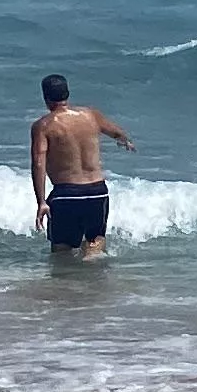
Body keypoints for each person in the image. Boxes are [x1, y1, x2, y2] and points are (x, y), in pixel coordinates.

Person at [31, 71, 128, 260]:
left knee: (62, 252)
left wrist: (41, 202)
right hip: (97, 192)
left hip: (66, 195)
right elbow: (117, 132)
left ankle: (66, 287)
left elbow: (38, 163)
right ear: (67, 94)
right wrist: (126, 140)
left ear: (46, 97)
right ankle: (92, 284)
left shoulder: (43, 126)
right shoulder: (91, 115)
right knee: (95, 242)